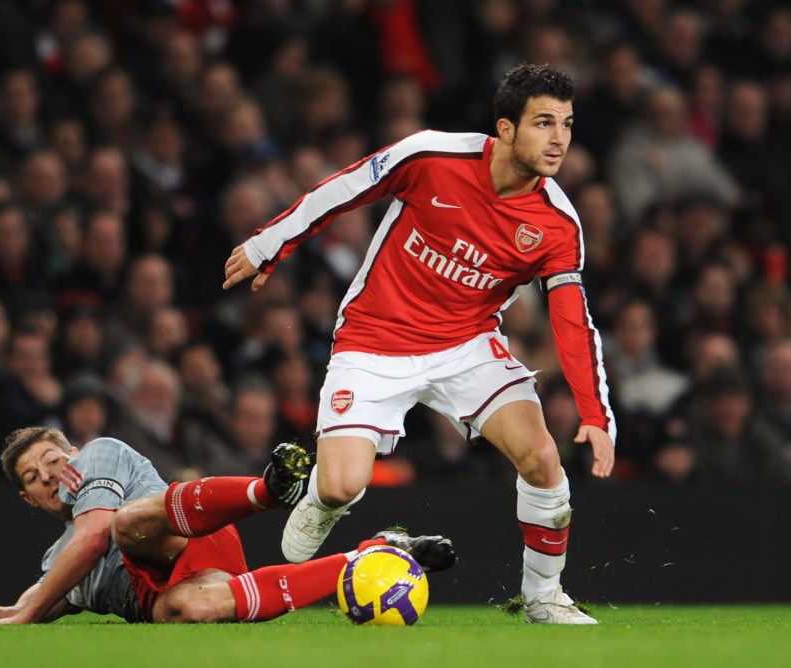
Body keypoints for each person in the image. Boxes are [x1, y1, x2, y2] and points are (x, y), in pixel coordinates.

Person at [223, 63, 616, 624]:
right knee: (341, 485)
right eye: (544, 123)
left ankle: (544, 597)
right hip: (374, 339)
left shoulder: (557, 223)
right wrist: (270, 244)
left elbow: (573, 321)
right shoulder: (433, 157)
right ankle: (323, 498)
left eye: (567, 125)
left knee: (543, 458)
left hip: (467, 344)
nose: (559, 140)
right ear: (505, 129)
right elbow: (343, 189)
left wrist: (595, 414)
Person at [0, 426, 454, 624]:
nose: (51, 475)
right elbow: (18, 610)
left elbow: (94, 536)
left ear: (70, 450)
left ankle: (268, 490)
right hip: (176, 588)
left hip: (191, 528)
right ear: (27, 499)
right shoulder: (56, 569)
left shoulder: (99, 455)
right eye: (34, 476)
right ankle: (373, 557)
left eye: (52, 458)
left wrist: (25, 614)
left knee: (122, 525)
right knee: (182, 613)